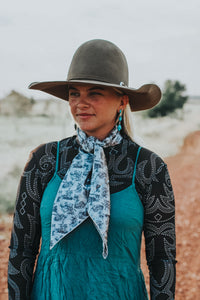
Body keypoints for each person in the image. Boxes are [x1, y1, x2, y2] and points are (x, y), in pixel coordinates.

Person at [8, 39, 176, 300]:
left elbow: (162, 259)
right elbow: (21, 250)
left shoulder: (148, 167)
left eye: (94, 93)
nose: (81, 103)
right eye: (74, 93)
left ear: (122, 101)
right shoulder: (45, 161)